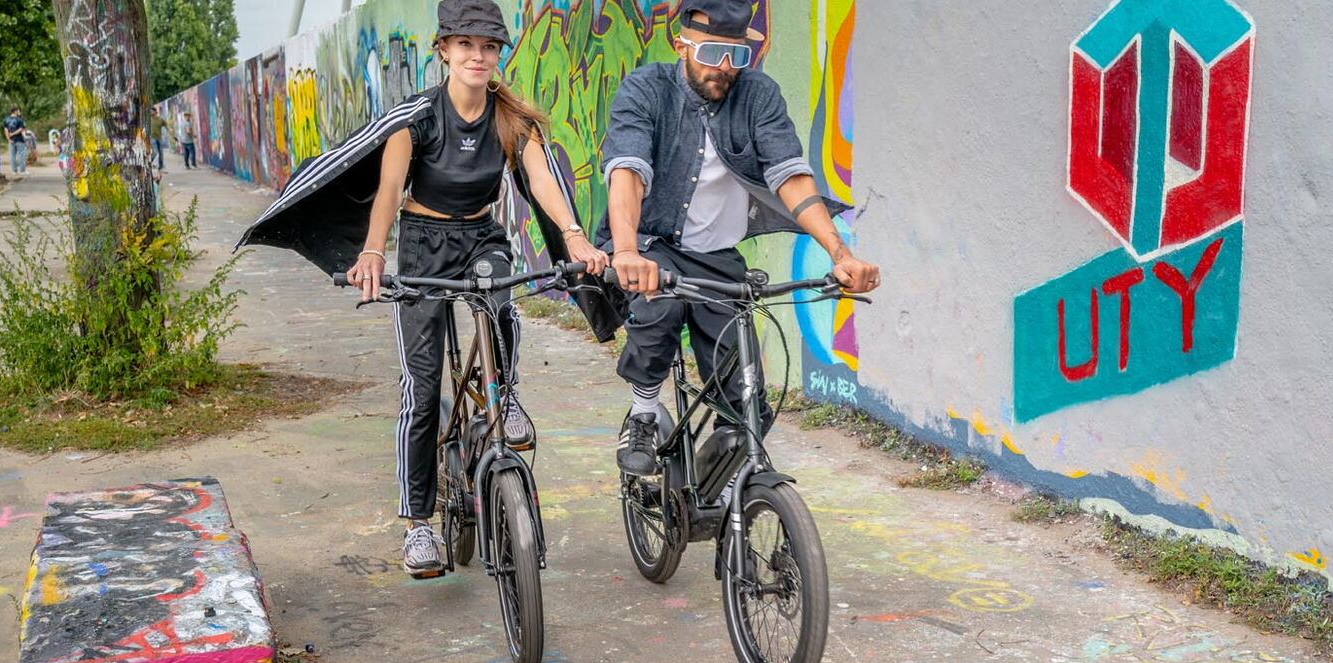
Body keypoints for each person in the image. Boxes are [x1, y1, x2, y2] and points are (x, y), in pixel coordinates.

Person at [240, 0, 607, 577]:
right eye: (465, 45)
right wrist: (372, 251)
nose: (477, 56)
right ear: (444, 50)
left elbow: (542, 181)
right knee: (423, 386)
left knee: (501, 299)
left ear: (497, 54)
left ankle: (504, 396)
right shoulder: (417, 118)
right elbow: (389, 190)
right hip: (421, 245)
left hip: (480, 238)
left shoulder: (511, 120)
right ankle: (417, 525)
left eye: (488, 47)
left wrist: (575, 236)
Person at [601, 0, 880, 476]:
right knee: (658, 309)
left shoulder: (758, 95)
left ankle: (731, 486)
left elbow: (789, 175)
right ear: (681, 44)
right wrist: (625, 251)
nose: (725, 67)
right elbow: (628, 169)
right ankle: (643, 414)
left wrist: (840, 253)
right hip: (649, 245)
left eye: (738, 55)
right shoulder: (646, 88)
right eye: (712, 52)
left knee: (746, 396)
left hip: (716, 255)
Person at [2, 107, 29, 174]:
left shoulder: (6, 120)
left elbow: (6, 130)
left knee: (12, 156)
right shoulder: (19, 120)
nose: (19, 112)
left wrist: (8, 138)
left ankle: (14, 171)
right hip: (19, 139)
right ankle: (22, 170)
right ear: (15, 111)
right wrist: (13, 134)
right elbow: (21, 129)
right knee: (21, 155)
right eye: (18, 111)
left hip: (11, 140)